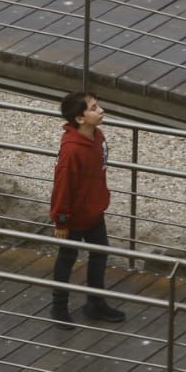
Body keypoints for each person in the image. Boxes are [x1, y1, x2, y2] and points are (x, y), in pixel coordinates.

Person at [49, 91, 126, 325]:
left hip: (94, 211)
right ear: (80, 119)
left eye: (98, 106)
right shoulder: (72, 150)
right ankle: (59, 307)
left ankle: (96, 302)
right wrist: (61, 219)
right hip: (74, 216)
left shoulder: (98, 136)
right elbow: (62, 185)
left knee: (99, 254)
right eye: (93, 108)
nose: (100, 110)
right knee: (67, 258)